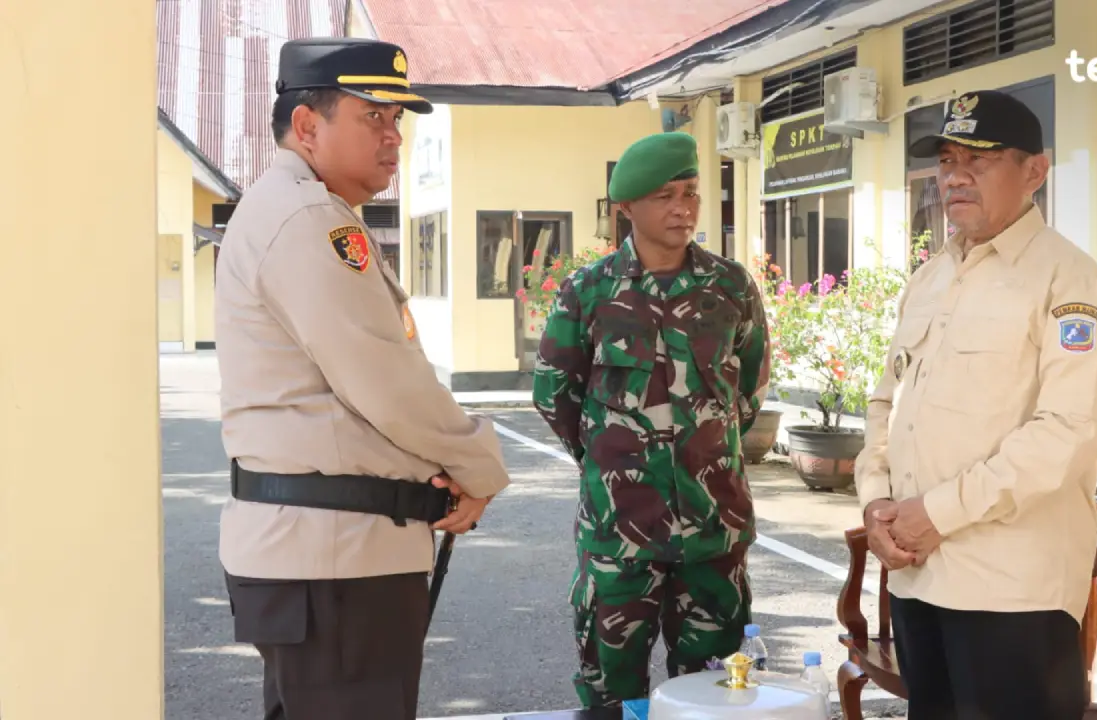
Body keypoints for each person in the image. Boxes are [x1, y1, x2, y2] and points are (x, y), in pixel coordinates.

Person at [214, 37, 511, 720]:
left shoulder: (293, 208)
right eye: (372, 116)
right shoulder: (309, 217)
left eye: (397, 119)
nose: (393, 136)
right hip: (338, 565)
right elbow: (387, 384)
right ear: (308, 125)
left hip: (318, 557)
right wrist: (480, 463)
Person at [854, 90, 1097, 720]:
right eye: (948, 159)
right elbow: (886, 402)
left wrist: (936, 513)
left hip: (1010, 591)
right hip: (916, 573)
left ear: (1035, 171)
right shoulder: (930, 278)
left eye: (979, 159)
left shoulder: (1070, 283)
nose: (955, 176)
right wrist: (876, 502)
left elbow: (1066, 433)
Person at [532, 132, 772, 707]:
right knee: (610, 695)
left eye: (691, 192)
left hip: (714, 530)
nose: (683, 208)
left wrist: (703, 448)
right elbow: (554, 393)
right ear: (626, 208)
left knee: (716, 696)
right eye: (665, 195)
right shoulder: (588, 293)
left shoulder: (730, 286)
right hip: (620, 536)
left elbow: (749, 386)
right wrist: (612, 456)